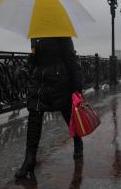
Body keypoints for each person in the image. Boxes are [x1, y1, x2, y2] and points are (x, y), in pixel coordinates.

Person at [15, 37, 84, 180]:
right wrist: (29, 62)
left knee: (67, 113)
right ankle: (29, 159)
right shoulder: (36, 35)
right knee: (34, 116)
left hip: (58, 82)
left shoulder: (62, 34)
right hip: (39, 83)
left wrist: (77, 87)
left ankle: (78, 141)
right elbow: (35, 58)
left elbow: (71, 60)